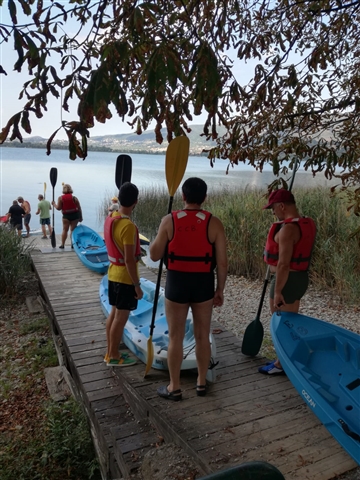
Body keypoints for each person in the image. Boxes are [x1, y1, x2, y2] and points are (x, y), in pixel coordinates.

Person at [150, 177, 228, 401]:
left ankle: (174, 387)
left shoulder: (169, 220)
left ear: (183, 196)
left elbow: (154, 255)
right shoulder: (214, 223)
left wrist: (163, 229)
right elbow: (222, 263)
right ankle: (201, 382)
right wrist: (219, 289)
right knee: (203, 336)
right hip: (203, 283)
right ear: (204, 198)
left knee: (175, 337)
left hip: (177, 283)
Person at [258, 188, 316, 375]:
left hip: (287, 281)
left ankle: (281, 365)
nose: (273, 212)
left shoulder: (288, 230)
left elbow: (283, 264)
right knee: (289, 322)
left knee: (281, 324)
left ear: (281, 206)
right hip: (299, 279)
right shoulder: (305, 223)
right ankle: (283, 359)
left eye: (273, 208)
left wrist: (277, 291)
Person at [103, 182, 144, 366]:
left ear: (119, 199)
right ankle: (113, 356)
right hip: (125, 278)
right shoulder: (127, 226)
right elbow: (129, 259)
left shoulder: (111, 217)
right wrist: (137, 286)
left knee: (113, 315)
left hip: (112, 274)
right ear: (136, 201)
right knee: (120, 319)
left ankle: (110, 352)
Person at [52, 184, 82, 249]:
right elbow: (79, 208)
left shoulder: (60, 198)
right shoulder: (74, 198)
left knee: (65, 230)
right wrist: (81, 217)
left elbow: (58, 208)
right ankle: (72, 244)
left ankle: (62, 245)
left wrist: (54, 204)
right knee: (73, 230)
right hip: (75, 216)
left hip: (66, 216)